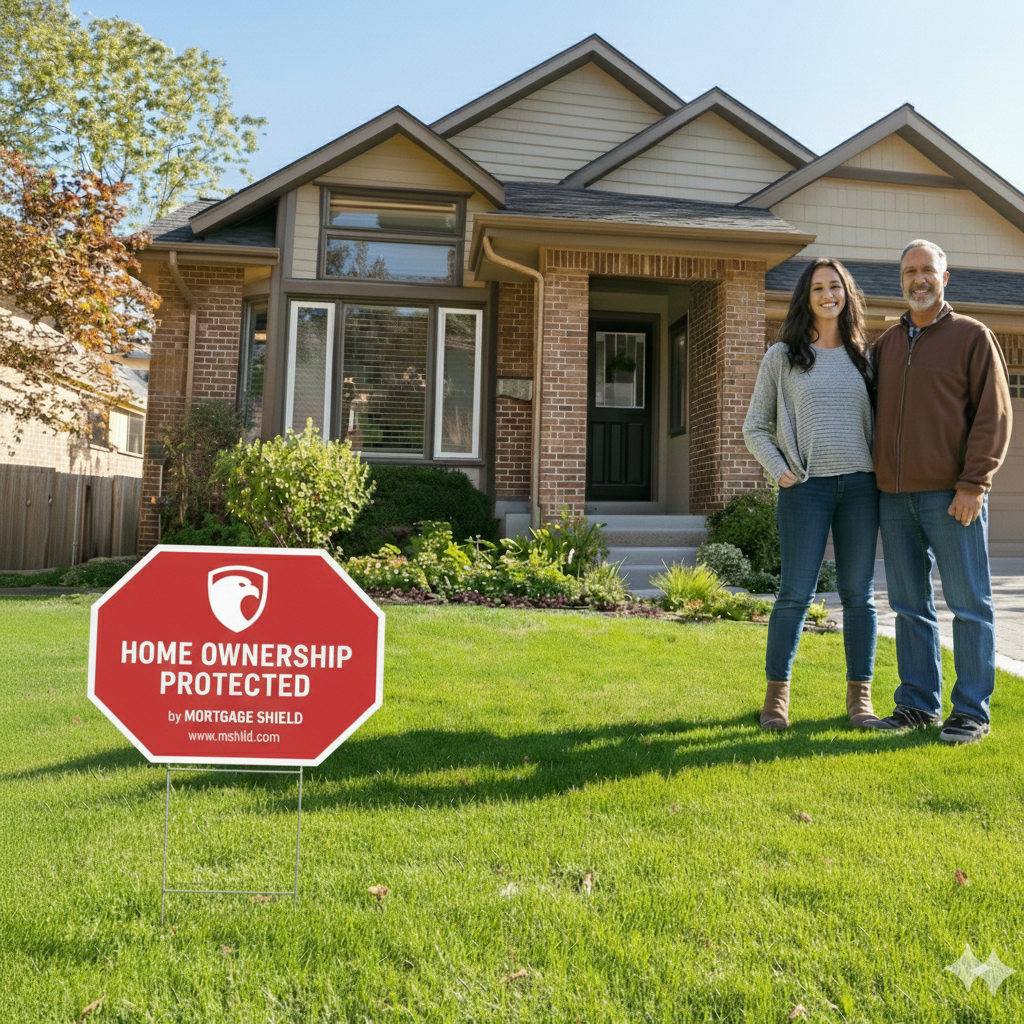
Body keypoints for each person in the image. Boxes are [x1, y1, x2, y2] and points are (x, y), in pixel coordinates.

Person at [866, 240, 1012, 744]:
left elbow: (994, 415)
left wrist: (975, 484)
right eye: (910, 271)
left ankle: (971, 710)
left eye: (928, 270)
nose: (919, 279)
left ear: (945, 278)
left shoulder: (973, 336)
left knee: (969, 604)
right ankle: (916, 704)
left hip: (953, 497)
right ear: (901, 280)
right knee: (909, 607)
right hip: (895, 498)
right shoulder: (885, 344)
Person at [744, 258, 880, 730]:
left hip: (862, 488)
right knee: (794, 594)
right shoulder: (781, 357)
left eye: (835, 287)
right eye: (818, 287)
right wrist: (780, 470)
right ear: (806, 297)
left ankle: (860, 699)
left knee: (859, 595)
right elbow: (754, 427)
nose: (827, 295)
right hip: (806, 490)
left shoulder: (866, 356)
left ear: (847, 295)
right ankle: (776, 699)